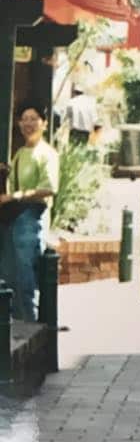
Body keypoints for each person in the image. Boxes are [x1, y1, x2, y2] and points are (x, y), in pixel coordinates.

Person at [0, 104, 59, 321]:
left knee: (25, 273)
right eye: (24, 119)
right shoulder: (20, 153)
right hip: (15, 218)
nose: (28, 123)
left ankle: (31, 326)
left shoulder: (47, 154)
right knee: (9, 273)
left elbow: (50, 187)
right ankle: (14, 324)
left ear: (44, 123)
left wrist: (16, 196)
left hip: (32, 216)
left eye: (34, 119)